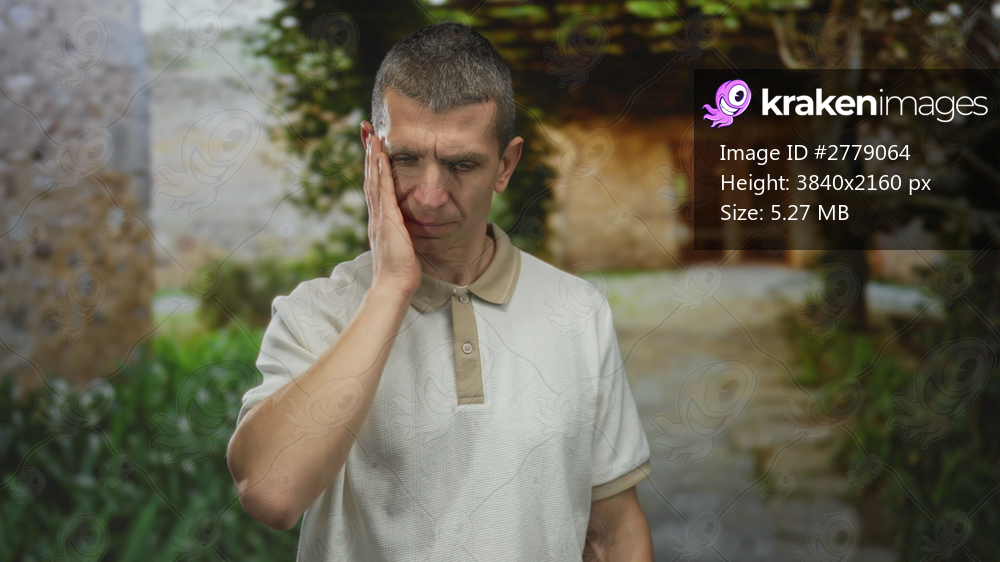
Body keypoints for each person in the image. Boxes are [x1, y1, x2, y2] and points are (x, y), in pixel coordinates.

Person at [226, 21, 653, 561]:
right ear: (371, 151)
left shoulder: (579, 311)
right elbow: (271, 494)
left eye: (461, 165)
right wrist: (390, 288)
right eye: (405, 159)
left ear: (505, 165)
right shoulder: (315, 314)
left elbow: (612, 533)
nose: (429, 196)